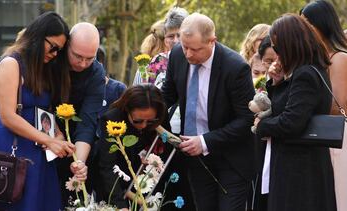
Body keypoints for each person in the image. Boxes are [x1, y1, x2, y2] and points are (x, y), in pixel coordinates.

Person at [0, 12, 76, 211]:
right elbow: (8, 116)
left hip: (37, 150)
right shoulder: (11, 63)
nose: (55, 54)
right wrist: (48, 140)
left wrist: (57, 135)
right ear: (38, 37)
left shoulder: (41, 68)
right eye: (53, 47)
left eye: (59, 50)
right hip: (12, 146)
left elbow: (42, 111)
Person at [162, 13, 255, 211]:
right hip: (196, 160)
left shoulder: (235, 67)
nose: (188, 54)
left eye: (194, 49)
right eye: (184, 46)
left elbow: (247, 119)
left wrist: (204, 141)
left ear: (212, 41)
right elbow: (167, 96)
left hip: (231, 159)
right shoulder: (178, 55)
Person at [254, 14, 336, 211]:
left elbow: (292, 121)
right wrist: (276, 82)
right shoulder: (307, 70)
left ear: (289, 44)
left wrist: (261, 125)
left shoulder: (305, 74)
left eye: (277, 46)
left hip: (300, 169)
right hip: (300, 165)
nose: (276, 52)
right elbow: (282, 106)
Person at [300, 1, 347, 210]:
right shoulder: (314, 59)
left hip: (336, 139)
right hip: (319, 140)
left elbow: (337, 106)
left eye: (307, 25)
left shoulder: (339, 58)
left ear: (321, 24)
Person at [53, 22, 105, 207]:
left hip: (78, 145)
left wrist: (79, 164)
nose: (83, 64)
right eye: (78, 56)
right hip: (43, 139)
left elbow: (88, 121)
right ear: (67, 45)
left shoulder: (96, 73)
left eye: (89, 58)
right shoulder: (51, 61)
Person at [97, 84, 170, 210]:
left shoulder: (159, 117)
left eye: (150, 121)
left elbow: (165, 148)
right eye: (138, 121)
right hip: (117, 181)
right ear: (127, 110)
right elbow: (107, 166)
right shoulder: (113, 119)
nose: (143, 125)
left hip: (149, 181)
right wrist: (120, 205)